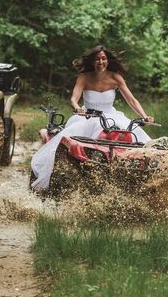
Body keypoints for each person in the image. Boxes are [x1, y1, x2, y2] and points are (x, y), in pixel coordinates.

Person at [30, 45, 154, 192]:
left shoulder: (116, 77)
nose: (100, 62)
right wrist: (78, 108)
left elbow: (132, 100)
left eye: (103, 59)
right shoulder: (84, 76)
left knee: (135, 137)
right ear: (92, 61)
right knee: (69, 143)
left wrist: (144, 116)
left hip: (112, 116)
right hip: (88, 116)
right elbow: (74, 99)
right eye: (97, 59)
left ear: (107, 61)